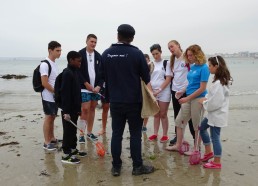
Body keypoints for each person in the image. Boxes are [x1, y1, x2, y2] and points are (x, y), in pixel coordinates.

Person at [102, 24, 154, 176]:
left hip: (115, 101)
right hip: (133, 101)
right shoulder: (137, 53)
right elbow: (146, 77)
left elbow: (102, 77)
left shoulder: (106, 54)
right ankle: (137, 166)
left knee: (116, 133)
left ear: (117, 35)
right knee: (135, 134)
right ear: (131, 38)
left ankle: (116, 166)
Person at [167, 44, 210, 154]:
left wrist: (187, 98)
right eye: (188, 55)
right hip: (188, 96)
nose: (189, 57)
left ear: (197, 54)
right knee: (179, 121)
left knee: (197, 125)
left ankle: (196, 149)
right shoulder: (193, 66)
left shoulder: (204, 68)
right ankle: (178, 145)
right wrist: (182, 91)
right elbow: (190, 83)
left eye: (191, 55)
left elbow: (202, 88)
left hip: (198, 99)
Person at [199, 56, 232, 169]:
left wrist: (205, 102)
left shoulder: (219, 83)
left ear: (216, 66)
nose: (208, 68)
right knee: (202, 128)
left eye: (210, 66)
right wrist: (206, 98)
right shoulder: (220, 81)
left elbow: (215, 103)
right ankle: (209, 152)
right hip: (213, 114)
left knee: (215, 137)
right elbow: (213, 96)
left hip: (217, 114)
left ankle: (217, 161)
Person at [165, 40, 195, 146]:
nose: (171, 49)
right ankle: (178, 138)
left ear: (178, 45)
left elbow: (193, 75)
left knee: (190, 116)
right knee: (177, 115)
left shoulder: (187, 58)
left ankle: (195, 138)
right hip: (175, 91)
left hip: (187, 91)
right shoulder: (171, 62)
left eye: (172, 46)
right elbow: (170, 77)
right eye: (169, 48)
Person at [60, 51, 87, 164]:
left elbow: (77, 92)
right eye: (78, 61)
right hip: (67, 109)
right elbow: (65, 94)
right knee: (68, 131)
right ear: (71, 60)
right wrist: (65, 112)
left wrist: (78, 108)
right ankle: (66, 155)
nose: (80, 63)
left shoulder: (75, 72)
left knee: (73, 130)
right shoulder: (67, 73)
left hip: (74, 108)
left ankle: (73, 149)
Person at [78, 34, 103, 143]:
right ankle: (81, 134)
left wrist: (99, 86)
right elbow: (77, 72)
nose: (93, 44)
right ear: (86, 41)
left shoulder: (98, 56)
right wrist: (85, 83)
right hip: (83, 87)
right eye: (91, 41)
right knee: (85, 109)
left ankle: (89, 132)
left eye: (95, 42)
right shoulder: (80, 54)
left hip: (96, 88)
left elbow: (103, 73)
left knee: (92, 108)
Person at [148, 44, 172, 143]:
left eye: (157, 53)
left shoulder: (167, 63)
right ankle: (155, 133)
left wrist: (159, 90)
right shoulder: (150, 64)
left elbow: (168, 79)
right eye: (153, 54)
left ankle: (165, 135)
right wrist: (151, 91)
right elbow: (147, 80)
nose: (155, 56)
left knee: (163, 114)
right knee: (156, 114)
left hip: (164, 91)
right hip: (153, 92)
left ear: (161, 52)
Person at [40, 41, 61, 151]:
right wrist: (55, 92)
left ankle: (52, 138)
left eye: (60, 50)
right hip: (47, 96)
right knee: (48, 117)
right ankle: (46, 142)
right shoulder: (45, 64)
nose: (59, 53)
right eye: (57, 50)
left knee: (53, 117)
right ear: (50, 50)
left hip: (53, 96)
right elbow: (44, 83)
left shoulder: (54, 64)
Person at [142, 54, 154, 133]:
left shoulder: (151, 67)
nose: (145, 62)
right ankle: (140, 124)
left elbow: (151, 67)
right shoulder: (140, 68)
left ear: (149, 60)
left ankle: (144, 126)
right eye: (144, 61)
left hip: (149, 89)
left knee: (147, 108)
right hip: (141, 90)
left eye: (147, 60)